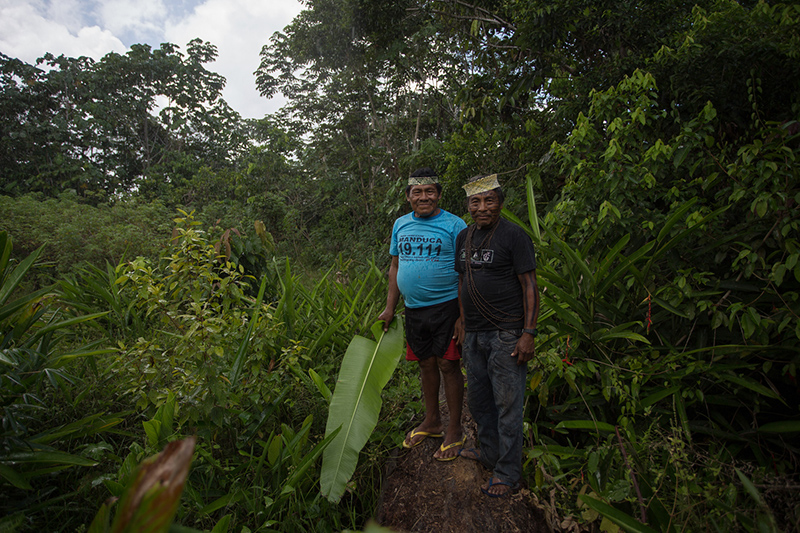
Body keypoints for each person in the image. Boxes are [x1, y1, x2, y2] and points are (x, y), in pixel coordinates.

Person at [454, 173, 539, 497]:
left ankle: (507, 471)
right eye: (476, 201)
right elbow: (462, 282)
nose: (483, 207)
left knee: (508, 406)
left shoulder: (514, 236)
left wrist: (528, 333)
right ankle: (488, 452)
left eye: (489, 200)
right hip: (474, 335)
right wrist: (462, 322)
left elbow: (529, 286)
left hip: (506, 335)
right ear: (468, 206)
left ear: (500, 203)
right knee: (479, 402)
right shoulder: (464, 238)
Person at [378, 167, 468, 461]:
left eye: (430, 191)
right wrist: (390, 307)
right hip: (413, 309)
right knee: (426, 364)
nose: (424, 197)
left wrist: (462, 316)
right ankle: (432, 421)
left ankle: (455, 429)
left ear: (439, 195)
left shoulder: (455, 225)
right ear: (408, 197)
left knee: (447, 364)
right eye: (417, 192)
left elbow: (466, 273)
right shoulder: (400, 224)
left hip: (447, 307)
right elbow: (395, 266)